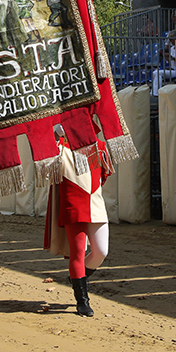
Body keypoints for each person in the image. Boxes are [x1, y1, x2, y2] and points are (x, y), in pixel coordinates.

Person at [44, 122, 112, 317]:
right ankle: (82, 300)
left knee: (101, 251)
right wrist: (56, 130)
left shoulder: (99, 146)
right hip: (73, 203)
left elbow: (103, 175)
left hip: (95, 200)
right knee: (78, 252)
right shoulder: (60, 147)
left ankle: (78, 278)